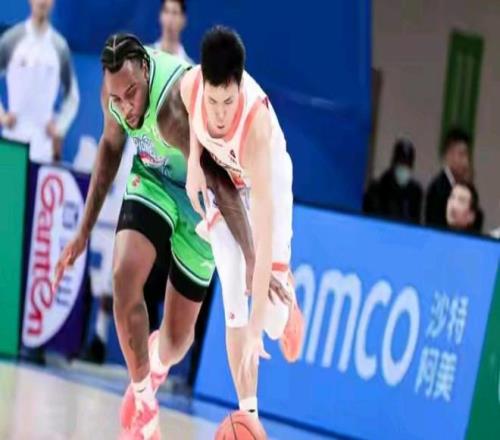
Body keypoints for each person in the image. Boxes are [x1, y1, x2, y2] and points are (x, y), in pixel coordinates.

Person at [53, 34, 263, 439]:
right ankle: (144, 402)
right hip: (152, 180)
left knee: (177, 342)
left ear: (147, 70)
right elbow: (110, 147)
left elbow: (219, 183)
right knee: (124, 278)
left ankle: (156, 361)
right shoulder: (114, 93)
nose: (126, 106)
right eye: (117, 98)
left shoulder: (172, 111)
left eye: (132, 94)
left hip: (202, 199)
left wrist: (251, 257)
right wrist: (83, 231)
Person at [181, 26, 305, 426]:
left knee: (268, 320)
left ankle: (288, 308)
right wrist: (194, 163)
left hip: (265, 184)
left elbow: (262, 239)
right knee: (232, 295)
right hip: (226, 181)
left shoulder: (257, 131)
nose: (219, 113)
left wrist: (256, 331)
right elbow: (192, 116)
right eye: (213, 101)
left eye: (228, 101)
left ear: (240, 87)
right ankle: (250, 417)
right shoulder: (190, 86)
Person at [0, 0, 79, 163]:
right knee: (9, 178)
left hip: (43, 148)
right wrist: (2, 117)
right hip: (12, 142)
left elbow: (72, 97)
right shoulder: (12, 39)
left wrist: (59, 128)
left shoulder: (59, 46)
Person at [363, 138, 422, 223]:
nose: (404, 168)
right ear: (393, 163)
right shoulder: (377, 189)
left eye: (408, 165)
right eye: (401, 163)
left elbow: (416, 223)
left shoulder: (415, 193)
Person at [425, 128, 471, 228]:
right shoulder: (437, 188)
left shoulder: (465, 187)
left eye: (467, 156)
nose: (465, 162)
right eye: (461, 155)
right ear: (449, 155)